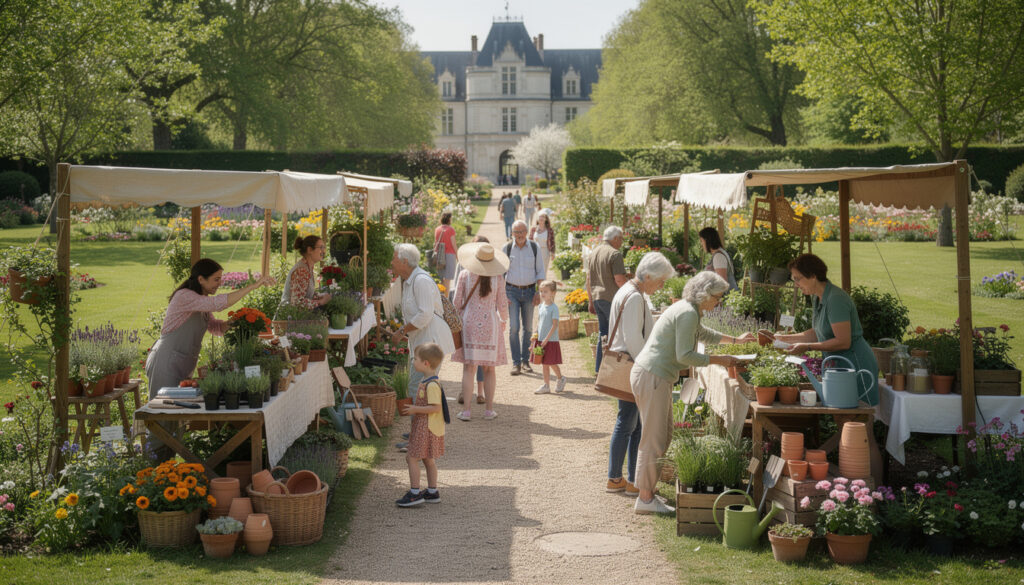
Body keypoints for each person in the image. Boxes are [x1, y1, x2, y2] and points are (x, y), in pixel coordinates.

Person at [630, 272, 754, 514]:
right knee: (653, 439)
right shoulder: (687, 312)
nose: (719, 302)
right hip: (653, 376)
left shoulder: (690, 310)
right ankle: (645, 499)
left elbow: (704, 334)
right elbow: (684, 356)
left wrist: (736, 341)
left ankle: (648, 495)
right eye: (717, 297)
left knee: (663, 437)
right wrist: (722, 359)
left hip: (656, 376)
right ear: (705, 294)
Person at [147, 259, 276, 393]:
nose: (219, 283)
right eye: (216, 279)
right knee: (162, 409)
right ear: (201, 279)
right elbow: (217, 304)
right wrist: (252, 286)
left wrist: (236, 321)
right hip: (165, 362)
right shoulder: (184, 296)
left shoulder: (200, 299)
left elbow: (215, 327)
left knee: (178, 409)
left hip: (182, 363)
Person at [769, 253, 880, 405]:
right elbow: (817, 333)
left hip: (856, 364)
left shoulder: (835, 299)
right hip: (838, 365)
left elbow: (843, 341)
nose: (795, 284)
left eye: (798, 278)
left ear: (813, 276)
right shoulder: (818, 296)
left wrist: (806, 347)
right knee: (840, 414)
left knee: (858, 418)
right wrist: (783, 339)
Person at [605, 252, 674, 496]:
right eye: (660, 280)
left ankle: (627, 477)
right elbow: (633, 338)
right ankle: (618, 477)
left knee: (631, 424)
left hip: (630, 362)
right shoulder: (634, 297)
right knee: (628, 422)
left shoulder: (630, 292)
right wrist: (650, 363)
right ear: (647, 276)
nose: (661, 285)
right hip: (632, 363)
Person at [451, 242, 510, 421]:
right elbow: (502, 304)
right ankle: (489, 410)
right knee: (490, 369)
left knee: (469, 368)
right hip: (490, 324)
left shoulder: (464, 274)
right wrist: (504, 320)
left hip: (469, 323)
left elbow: (456, 302)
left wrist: (459, 319)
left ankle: (467, 411)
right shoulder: (498, 278)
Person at [390, 243, 456, 399]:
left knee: (418, 388)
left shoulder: (420, 281)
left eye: (394, 258)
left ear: (404, 261)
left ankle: (422, 422)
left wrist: (401, 331)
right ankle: (424, 422)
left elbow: (425, 315)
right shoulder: (409, 280)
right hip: (423, 341)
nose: (391, 262)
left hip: (430, 341)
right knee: (420, 388)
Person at [395, 343, 446, 507]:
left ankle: (415, 493)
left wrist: (415, 408)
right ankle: (432, 491)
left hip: (426, 427)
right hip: (427, 426)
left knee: (411, 457)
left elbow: (436, 407)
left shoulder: (431, 385)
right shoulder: (427, 381)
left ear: (426, 363)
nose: (412, 362)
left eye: (415, 359)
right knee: (428, 459)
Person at [452, 235, 491, 406]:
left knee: (468, 360)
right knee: (484, 359)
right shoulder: (495, 271)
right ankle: (479, 393)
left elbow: (456, 300)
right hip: (488, 319)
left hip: (467, 319)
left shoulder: (464, 269)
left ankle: (470, 393)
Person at [503, 220, 545, 376]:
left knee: (528, 328)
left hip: (529, 292)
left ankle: (525, 361)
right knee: (514, 327)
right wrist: (502, 295)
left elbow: (540, 272)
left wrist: (538, 293)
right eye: (516, 232)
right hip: (511, 292)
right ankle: (516, 363)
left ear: (526, 232)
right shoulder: (506, 248)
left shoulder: (534, 247)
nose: (519, 235)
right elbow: (501, 274)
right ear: (512, 233)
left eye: (521, 232)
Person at [585, 225, 628, 373]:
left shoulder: (594, 253)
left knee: (603, 334)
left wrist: (590, 301)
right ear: (615, 238)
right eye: (621, 238)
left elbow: (588, 279)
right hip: (612, 299)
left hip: (597, 298)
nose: (621, 242)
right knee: (616, 335)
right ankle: (612, 371)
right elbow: (620, 280)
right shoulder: (615, 254)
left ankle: (599, 369)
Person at [278, 235, 331, 314]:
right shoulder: (301, 271)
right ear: (310, 250)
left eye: (324, 248)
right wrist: (320, 302)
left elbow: (305, 294)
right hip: (288, 321)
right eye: (321, 248)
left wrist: (320, 296)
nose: (324, 251)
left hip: (297, 318)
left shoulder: (308, 267)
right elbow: (297, 303)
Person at [531, 280, 567, 395]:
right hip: (541, 339)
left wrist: (546, 339)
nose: (542, 294)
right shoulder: (541, 306)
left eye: (545, 291)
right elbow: (539, 322)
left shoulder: (554, 308)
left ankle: (561, 378)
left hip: (550, 340)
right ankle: (546, 385)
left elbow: (555, 325)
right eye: (541, 291)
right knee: (544, 363)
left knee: (551, 362)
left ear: (553, 293)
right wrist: (535, 334)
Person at [699, 227, 738, 291]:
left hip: (725, 298)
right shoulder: (718, 253)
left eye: (702, 241)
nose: (701, 244)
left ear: (707, 240)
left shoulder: (719, 257)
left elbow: (722, 283)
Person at [434, 212, 458, 294]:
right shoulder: (450, 230)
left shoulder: (437, 229)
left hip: (440, 255)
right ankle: (446, 299)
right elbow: (453, 244)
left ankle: (441, 297)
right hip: (450, 255)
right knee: (447, 279)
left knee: (441, 278)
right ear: (449, 219)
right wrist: (458, 256)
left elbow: (435, 243)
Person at [529, 212, 555, 278]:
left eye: (543, 218)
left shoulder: (549, 230)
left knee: (543, 269)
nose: (541, 219)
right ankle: (535, 284)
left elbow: (552, 242)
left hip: (545, 251)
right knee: (534, 269)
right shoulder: (533, 229)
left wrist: (552, 253)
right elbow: (529, 240)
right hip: (535, 251)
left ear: (545, 219)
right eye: (540, 218)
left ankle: (543, 285)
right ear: (537, 219)